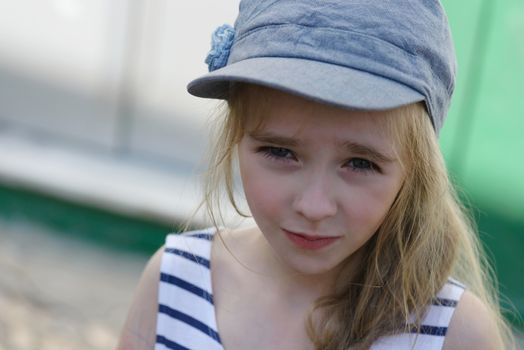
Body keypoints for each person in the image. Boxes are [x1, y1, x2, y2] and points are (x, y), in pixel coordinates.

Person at [118, 1, 515, 349]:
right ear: (235, 139)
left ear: (415, 169)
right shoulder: (172, 282)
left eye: (360, 164)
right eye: (280, 151)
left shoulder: (456, 336)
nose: (314, 206)